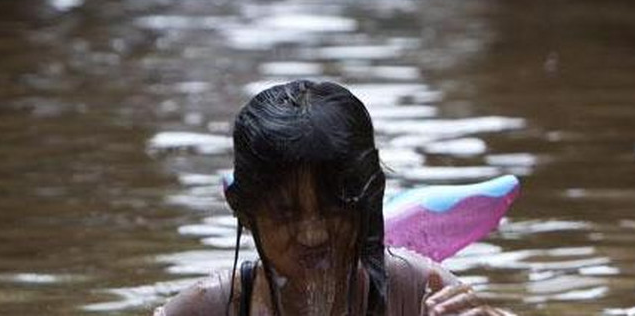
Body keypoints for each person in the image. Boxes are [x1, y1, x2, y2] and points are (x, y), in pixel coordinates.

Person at [154, 80, 514, 316]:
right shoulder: (211, 308)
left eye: (334, 207)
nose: (314, 234)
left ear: (371, 197)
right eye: (287, 214)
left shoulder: (417, 291)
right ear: (245, 212)